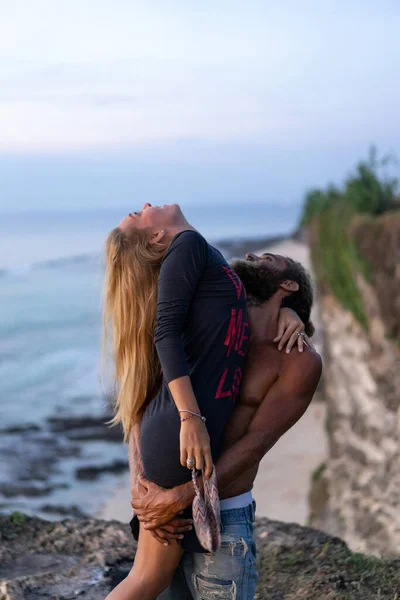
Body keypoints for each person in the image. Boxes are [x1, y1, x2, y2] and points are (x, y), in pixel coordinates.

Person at [102, 204, 305, 600]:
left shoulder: (201, 260)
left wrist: (292, 312)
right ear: (157, 237)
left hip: (172, 436)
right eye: (137, 214)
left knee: (148, 581)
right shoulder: (190, 243)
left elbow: (234, 311)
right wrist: (191, 417)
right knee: (145, 581)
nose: (146, 206)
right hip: (180, 435)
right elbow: (166, 333)